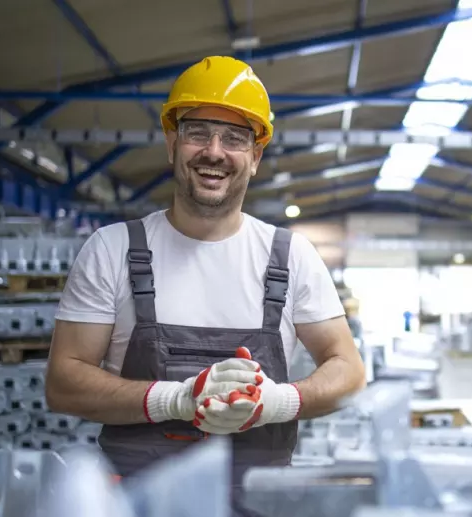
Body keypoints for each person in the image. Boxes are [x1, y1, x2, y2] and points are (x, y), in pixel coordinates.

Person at [44, 56, 367, 514]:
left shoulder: (291, 256)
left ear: (255, 158)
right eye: (198, 132)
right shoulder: (112, 249)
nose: (214, 151)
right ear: (172, 143)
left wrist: (277, 401)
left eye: (235, 138)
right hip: (137, 505)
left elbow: (349, 371)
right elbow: (63, 382)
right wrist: (175, 398)